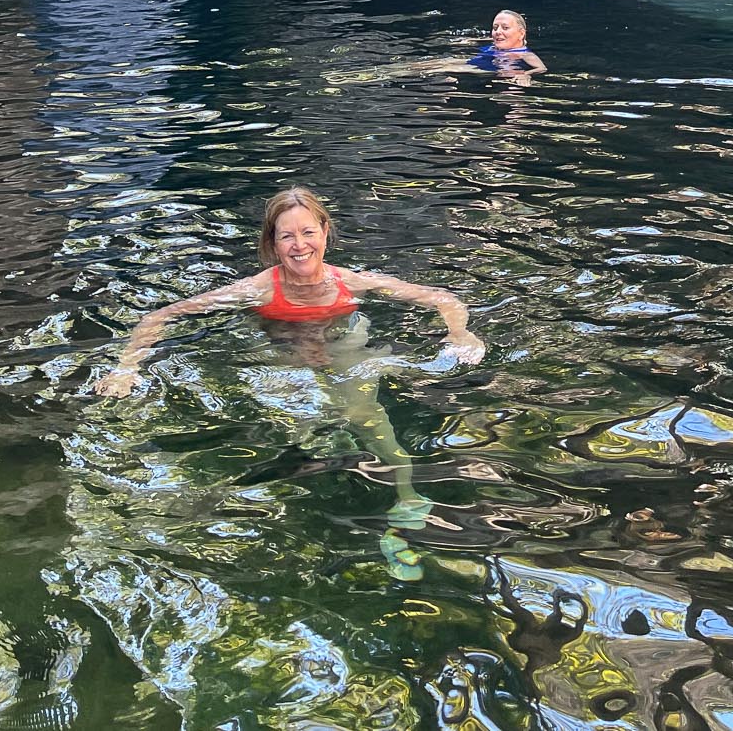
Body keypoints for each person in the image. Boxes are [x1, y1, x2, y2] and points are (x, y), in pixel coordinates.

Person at [93, 185, 485, 580]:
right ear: (273, 244)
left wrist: (460, 334)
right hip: (283, 349)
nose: (299, 245)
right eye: (286, 236)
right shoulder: (259, 288)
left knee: (362, 410)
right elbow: (161, 316)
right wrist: (127, 366)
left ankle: (406, 500)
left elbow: (444, 299)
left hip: (342, 343)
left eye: (308, 232)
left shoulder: (352, 282)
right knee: (303, 419)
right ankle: (318, 468)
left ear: (325, 231)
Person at [467, 9, 546, 76]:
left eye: (505, 28)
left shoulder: (523, 54)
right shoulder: (492, 47)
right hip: (487, 60)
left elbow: (542, 68)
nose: (498, 32)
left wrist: (525, 75)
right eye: (495, 28)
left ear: (521, 34)